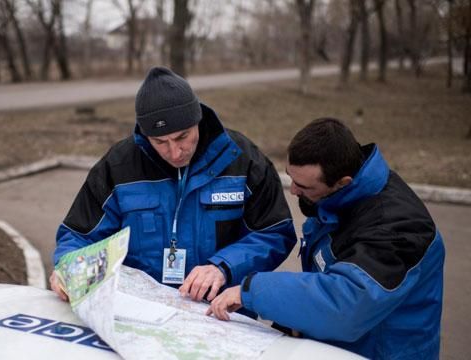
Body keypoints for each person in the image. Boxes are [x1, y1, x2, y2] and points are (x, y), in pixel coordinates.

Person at [51, 66, 296, 303]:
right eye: (160, 142)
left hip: (220, 311)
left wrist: (224, 267)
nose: (175, 152)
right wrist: (67, 269)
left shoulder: (243, 160)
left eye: (182, 137)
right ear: (145, 135)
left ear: (197, 120)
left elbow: (274, 232)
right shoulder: (118, 166)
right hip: (142, 311)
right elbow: (79, 235)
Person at [207, 118, 445, 359]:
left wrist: (252, 291)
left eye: (303, 186)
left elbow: (347, 305)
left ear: (342, 183)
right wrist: (294, 319)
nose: (293, 191)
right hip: (341, 347)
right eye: (290, 176)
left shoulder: (398, 228)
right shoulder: (340, 196)